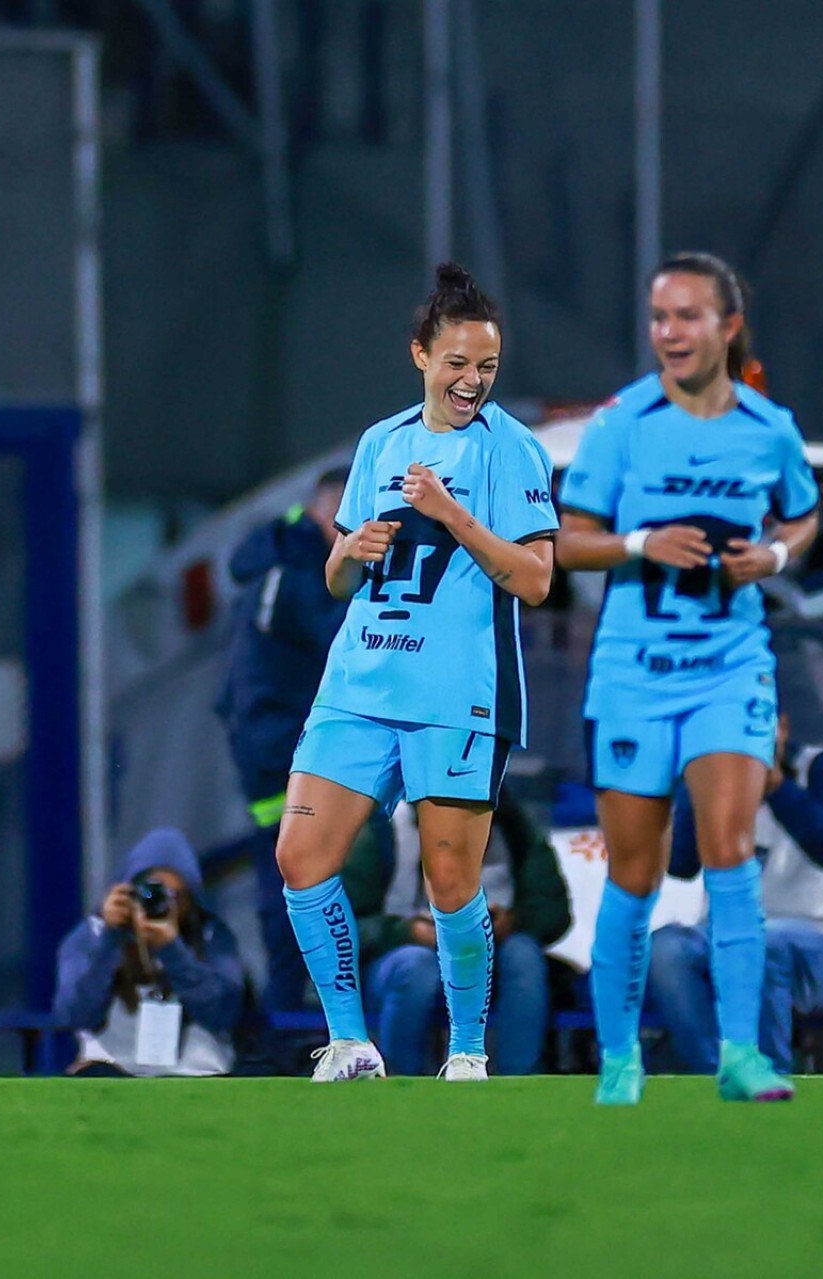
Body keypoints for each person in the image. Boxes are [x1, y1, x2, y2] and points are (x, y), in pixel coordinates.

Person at [275, 262, 558, 1083]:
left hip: (456, 697)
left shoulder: (513, 449)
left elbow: (536, 580)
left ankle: (466, 1050)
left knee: (450, 880)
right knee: (300, 856)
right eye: (458, 362)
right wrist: (348, 552)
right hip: (360, 684)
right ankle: (350, 1043)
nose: (472, 380)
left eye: (487, 366)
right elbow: (338, 578)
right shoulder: (381, 442)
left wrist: (451, 512)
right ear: (420, 355)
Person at [556, 251, 819, 1105]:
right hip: (634, 673)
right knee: (634, 872)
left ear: (728, 326)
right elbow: (567, 540)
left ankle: (741, 1055)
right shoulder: (621, 423)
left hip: (730, 665)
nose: (669, 332)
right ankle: (619, 1060)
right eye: (659, 317)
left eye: (687, 316)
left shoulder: (769, 427)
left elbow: (804, 514)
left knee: (729, 852)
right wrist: (642, 543)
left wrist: (771, 557)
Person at [648, 711, 823, 1074]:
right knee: (664, 949)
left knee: (760, 942)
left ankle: (765, 1073)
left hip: (819, 941)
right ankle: (712, 1072)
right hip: (721, 935)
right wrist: (695, 789)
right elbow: (681, 865)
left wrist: (778, 789)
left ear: (782, 727)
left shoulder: (815, 769)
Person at [217, 465, 353, 1019]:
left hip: (274, 747)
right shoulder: (296, 571)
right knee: (296, 878)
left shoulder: (275, 563)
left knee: (292, 874)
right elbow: (339, 640)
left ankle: (293, 1011)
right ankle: (292, 1016)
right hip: (285, 752)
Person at [367, 791, 573, 1074]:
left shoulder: (512, 825)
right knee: (415, 965)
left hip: (490, 953)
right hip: (399, 957)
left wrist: (514, 921)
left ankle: (518, 1081)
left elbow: (554, 911)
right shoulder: (384, 827)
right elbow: (346, 924)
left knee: (523, 954)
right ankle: (401, 1079)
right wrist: (406, 931)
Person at [55, 828, 245, 1077]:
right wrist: (109, 940)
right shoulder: (94, 933)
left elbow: (222, 1015)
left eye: (176, 896)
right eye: (150, 892)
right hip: (112, 1070)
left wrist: (172, 951)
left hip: (195, 1073)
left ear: (192, 899)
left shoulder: (211, 935)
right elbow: (76, 1014)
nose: (161, 903)